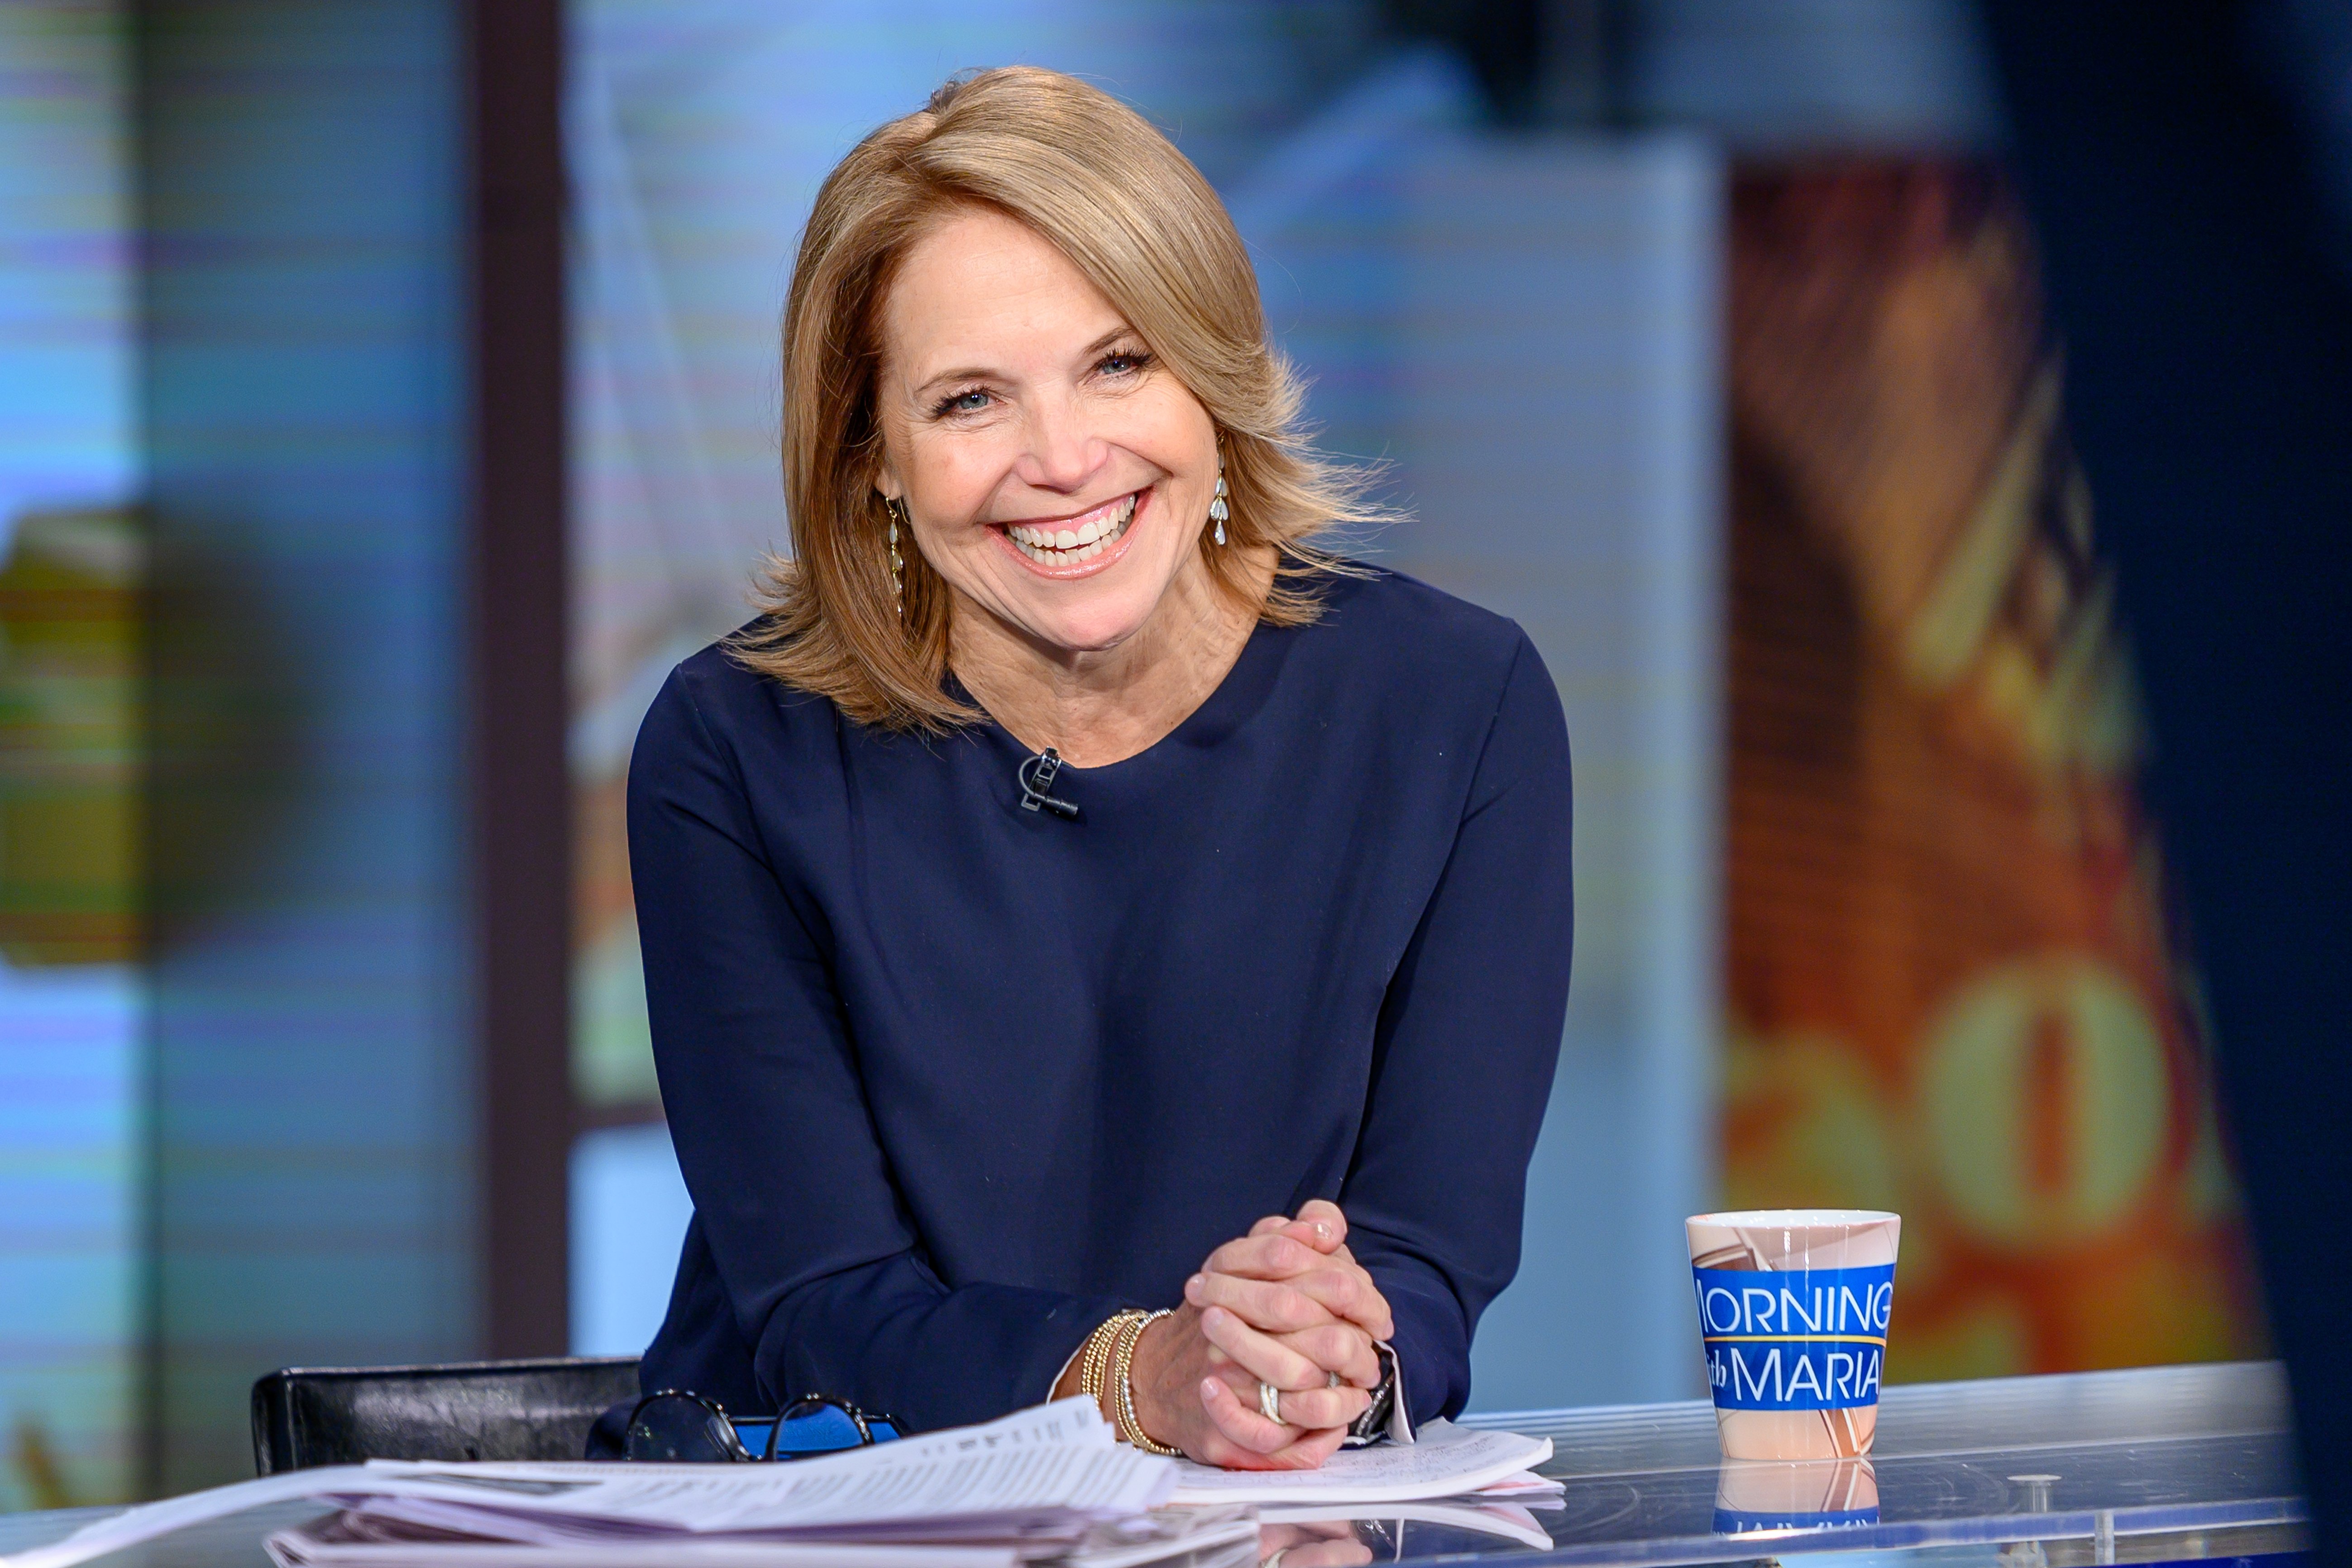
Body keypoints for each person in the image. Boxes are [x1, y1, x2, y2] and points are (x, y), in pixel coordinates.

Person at [626, 65, 1573, 1469]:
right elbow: (818, 1303)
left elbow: (1429, 1264)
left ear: (1213, 373)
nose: (1062, 460)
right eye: (968, 403)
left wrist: (1321, 1366)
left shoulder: (1453, 703)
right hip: (823, 1514)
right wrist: (1138, 1375)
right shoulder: (731, 747)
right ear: (869, 454)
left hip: (1263, 1521)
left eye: (1118, 363)